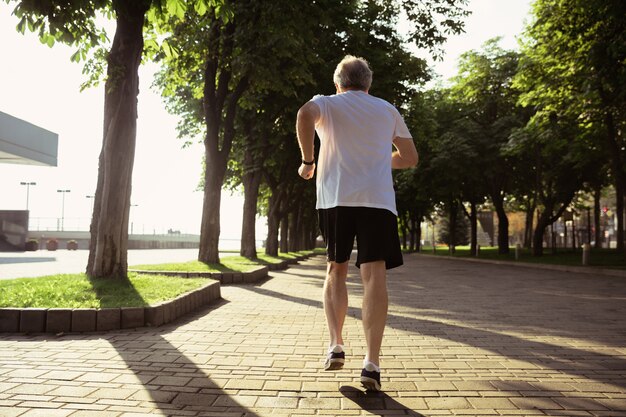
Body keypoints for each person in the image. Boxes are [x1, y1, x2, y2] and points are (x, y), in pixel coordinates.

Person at [296, 55, 418, 391]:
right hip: (377, 200)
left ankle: (336, 344)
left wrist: (308, 161)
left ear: (338, 83)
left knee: (336, 268)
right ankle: (372, 365)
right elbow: (409, 157)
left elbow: (304, 114)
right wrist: (378, 159)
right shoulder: (387, 109)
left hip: (336, 197)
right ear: (369, 84)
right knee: (374, 275)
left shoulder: (327, 103)